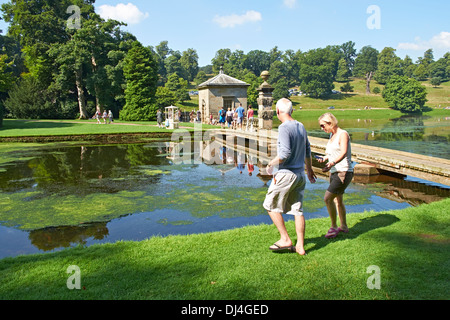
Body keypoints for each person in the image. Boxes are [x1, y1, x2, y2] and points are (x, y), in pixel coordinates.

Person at [263, 98, 317, 256]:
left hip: (287, 174)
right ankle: (300, 246)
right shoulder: (301, 125)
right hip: (300, 174)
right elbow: (307, 149)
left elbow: (284, 154)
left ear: (278, 112)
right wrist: (309, 169)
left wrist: (270, 164)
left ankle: (285, 239)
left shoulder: (284, 127)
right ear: (292, 111)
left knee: (269, 205)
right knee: (297, 210)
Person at [317, 113, 354, 239]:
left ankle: (333, 226)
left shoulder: (343, 134)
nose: (322, 128)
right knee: (337, 200)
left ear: (330, 123)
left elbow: (343, 152)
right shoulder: (331, 135)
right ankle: (343, 226)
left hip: (344, 171)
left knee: (327, 198)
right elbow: (332, 153)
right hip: (334, 171)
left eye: (323, 126)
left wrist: (332, 162)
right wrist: (325, 158)